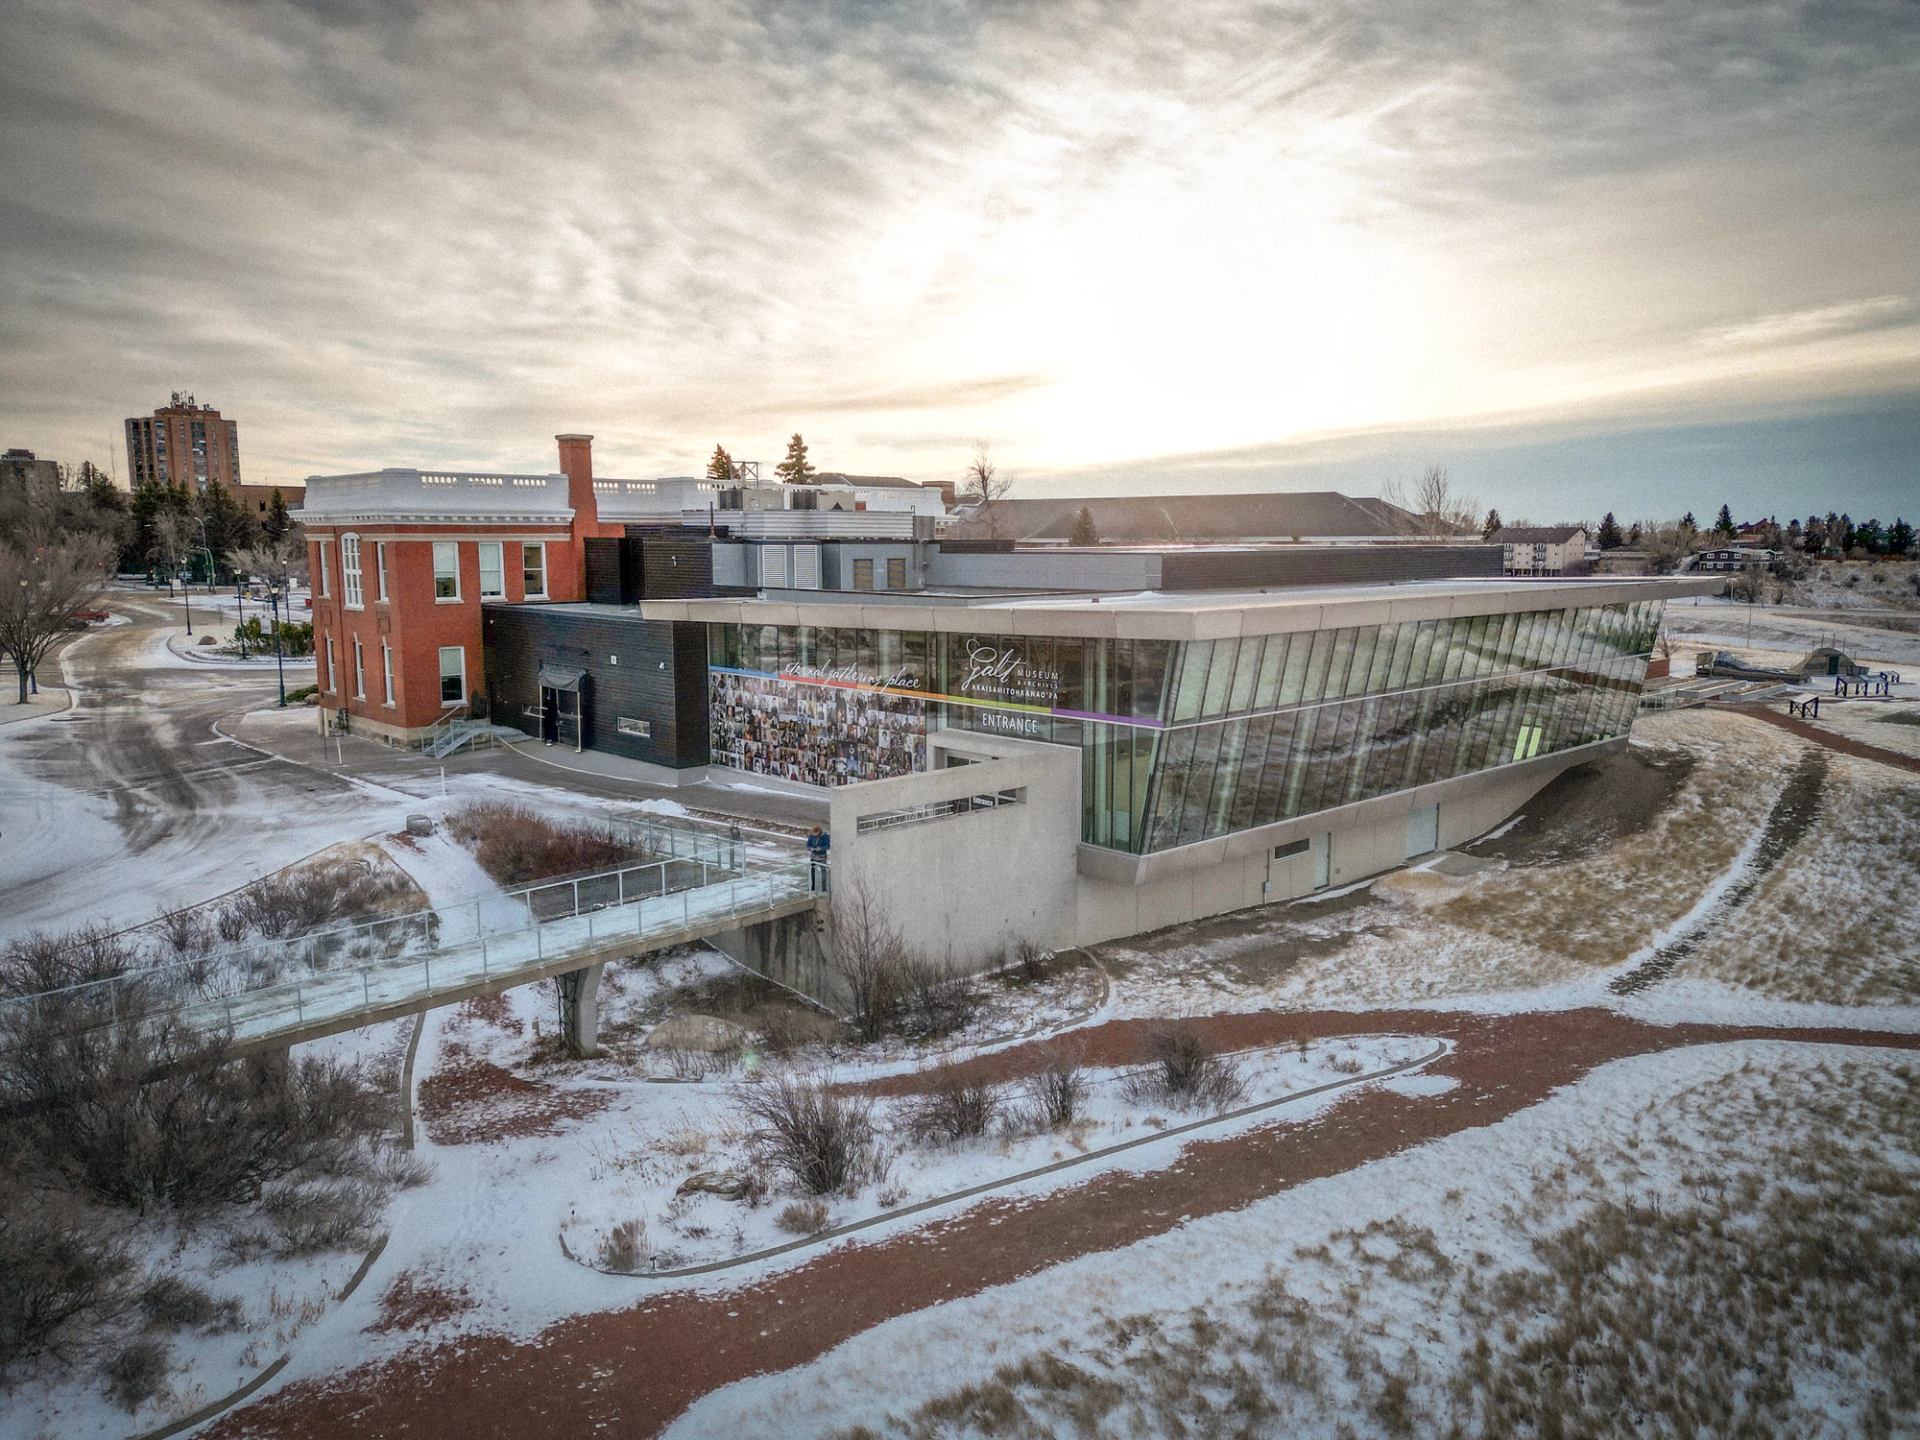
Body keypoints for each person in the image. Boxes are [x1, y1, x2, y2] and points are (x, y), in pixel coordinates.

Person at [806, 824, 830, 892]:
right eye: (814, 834)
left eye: (816, 834)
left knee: (823, 872)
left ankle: (824, 888)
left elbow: (827, 845)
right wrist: (810, 848)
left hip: (822, 856)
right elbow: (808, 844)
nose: (815, 835)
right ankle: (812, 887)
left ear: (819, 832)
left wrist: (821, 848)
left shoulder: (825, 836)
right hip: (813, 856)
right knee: (812, 871)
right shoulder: (811, 836)